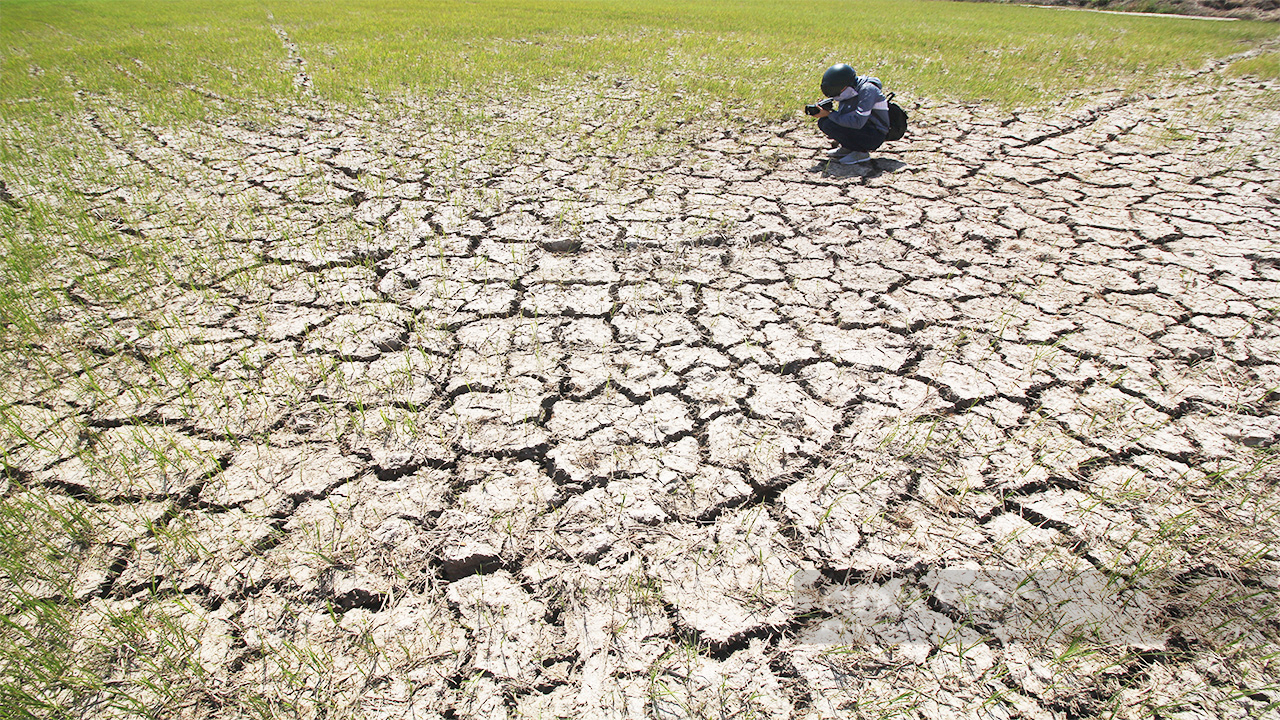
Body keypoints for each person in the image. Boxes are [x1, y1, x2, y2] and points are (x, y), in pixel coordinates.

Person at [809, 63, 890, 165]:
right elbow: (845, 115)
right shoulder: (849, 90)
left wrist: (829, 114)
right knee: (824, 122)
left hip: (874, 135)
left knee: (830, 122)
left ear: (845, 85)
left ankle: (861, 153)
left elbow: (858, 121)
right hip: (862, 129)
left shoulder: (867, 90)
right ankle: (848, 148)